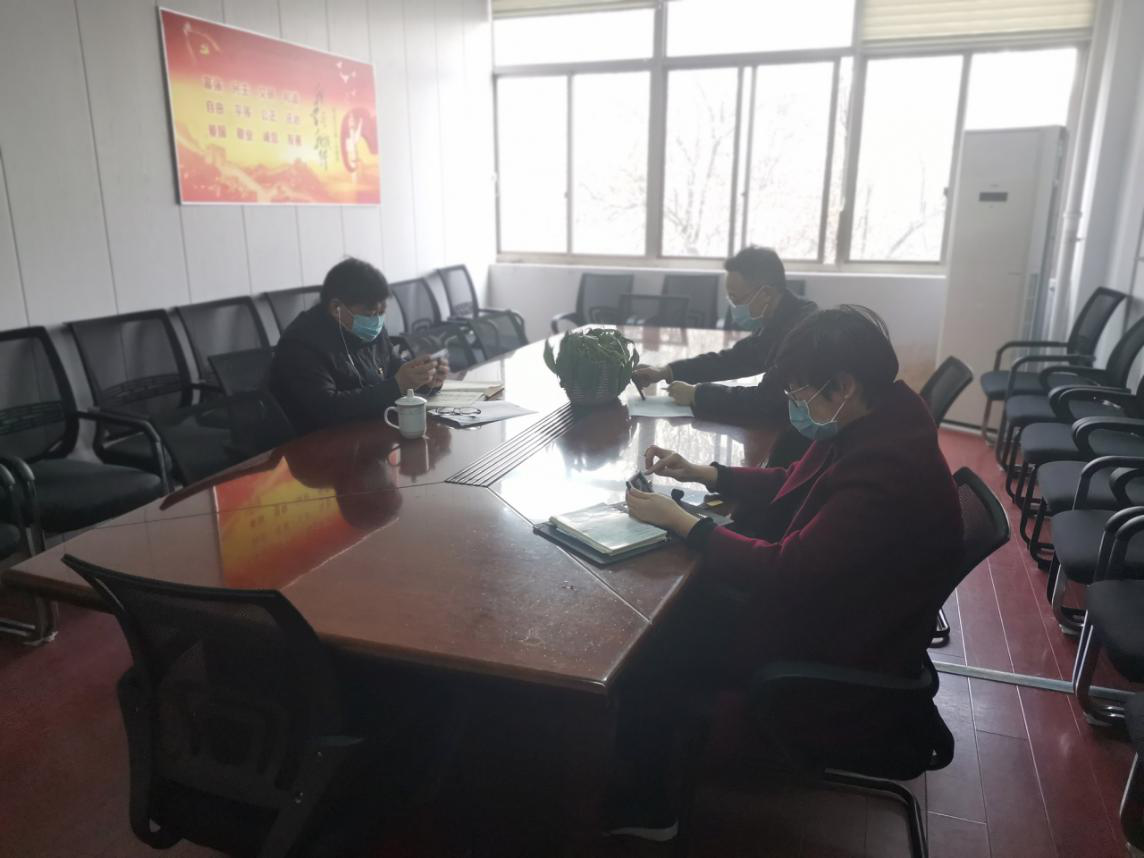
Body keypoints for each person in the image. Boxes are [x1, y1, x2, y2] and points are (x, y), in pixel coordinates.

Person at [607, 307, 963, 841]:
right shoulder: (879, 417)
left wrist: (684, 523)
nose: (795, 403)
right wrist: (707, 473)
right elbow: (798, 479)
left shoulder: (886, 471)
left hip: (838, 645)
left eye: (799, 392)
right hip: (848, 610)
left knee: (655, 638)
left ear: (843, 384)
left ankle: (650, 805)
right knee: (680, 604)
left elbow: (784, 569)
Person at [630, 246, 816, 423]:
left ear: (766, 293)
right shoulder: (780, 317)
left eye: (736, 298)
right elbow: (735, 359)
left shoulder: (801, 331)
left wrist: (697, 395)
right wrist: (666, 371)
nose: (734, 307)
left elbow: (765, 400)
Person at [268, 257, 447, 434]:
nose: (377, 321)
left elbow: (391, 366)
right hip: (318, 441)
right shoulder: (300, 344)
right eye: (370, 314)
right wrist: (396, 386)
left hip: (369, 429)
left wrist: (423, 380)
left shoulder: (369, 327)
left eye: (381, 313)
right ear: (336, 307)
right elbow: (326, 408)